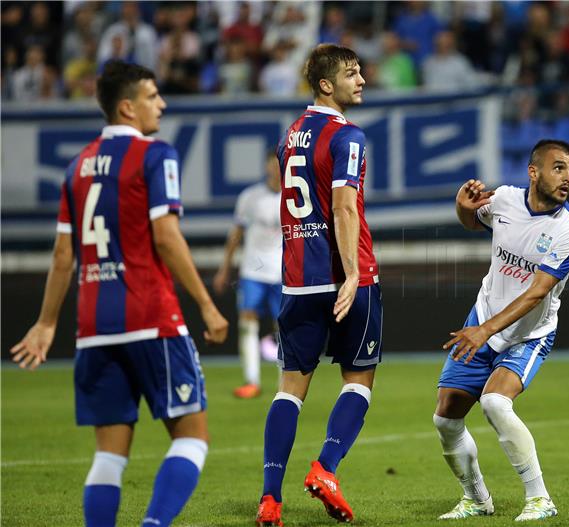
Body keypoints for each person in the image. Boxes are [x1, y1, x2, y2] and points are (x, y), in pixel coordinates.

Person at [9, 60, 228, 527]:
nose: (162, 105)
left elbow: (63, 254)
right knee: (192, 436)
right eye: (153, 96)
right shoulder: (156, 155)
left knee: (109, 455)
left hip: (93, 328)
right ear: (127, 107)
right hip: (151, 317)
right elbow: (166, 237)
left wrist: (47, 322)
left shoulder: (77, 167)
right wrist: (208, 305)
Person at [255, 43, 381, 527]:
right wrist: (351, 274)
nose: (362, 80)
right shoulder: (347, 135)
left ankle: (270, 499)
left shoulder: (291, 136)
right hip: (349, 275)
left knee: (289, 391)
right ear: (327, 84)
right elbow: (344, 206)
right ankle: (326, 469)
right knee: (359, 379)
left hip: (297, 281)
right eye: (352, 73)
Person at [434, 140, 569, 522]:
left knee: (494, 402)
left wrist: (485, 331)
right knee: (446, 419)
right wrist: (462, 205)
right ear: (533, 172)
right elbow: (472, 220)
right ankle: (476, 498)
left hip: (527, 335)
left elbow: (538, 293)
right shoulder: (504, 200)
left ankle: (540, 499)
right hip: (483, 320)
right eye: (558, 167)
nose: (567, 176)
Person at [214, 153, 283, 399]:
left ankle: (284, 383)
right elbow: (236, 235)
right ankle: (251, 380)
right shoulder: (250, 197)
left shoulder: (295, 196)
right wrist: (225, 268)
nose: (275, 168)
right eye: (272, 163)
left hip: (282, 271)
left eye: (279, 162)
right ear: (265, 166)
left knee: (284, 327)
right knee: (247, 322)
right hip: (253, 270)